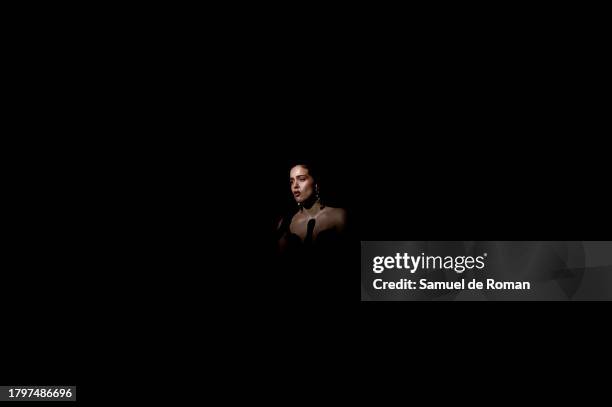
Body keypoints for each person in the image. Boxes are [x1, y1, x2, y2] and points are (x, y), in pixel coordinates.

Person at [276, 163, 348, 271]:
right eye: (291, 181)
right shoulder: (285, 222)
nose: (295, 185)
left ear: (316, 183)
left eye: (301, 179)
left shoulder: (339, 216)